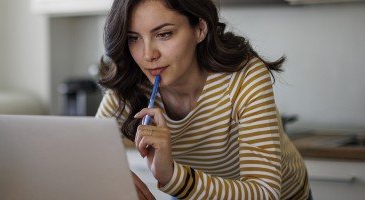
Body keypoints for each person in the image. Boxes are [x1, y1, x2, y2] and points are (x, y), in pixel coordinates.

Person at [95, 0, 311, 199]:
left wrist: (171, 177)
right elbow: (88, 154)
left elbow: (265, 192)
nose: (148, 55)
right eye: (134, 38)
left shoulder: (244, 76)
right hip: (193, 191)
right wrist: (118, 179)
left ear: (200, 29)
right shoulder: (131, 84)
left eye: (164, 34)